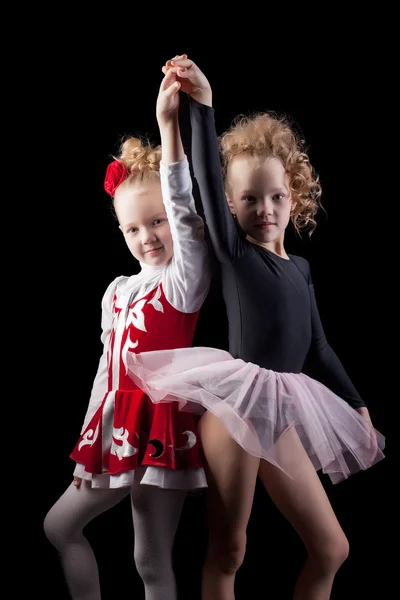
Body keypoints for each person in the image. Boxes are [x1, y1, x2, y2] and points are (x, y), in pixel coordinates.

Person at [125, 55, 385, 600]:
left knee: (332, 549)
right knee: (230, 550)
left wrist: (356, 402)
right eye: (248, 199)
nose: (263, 209)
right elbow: (202, 176)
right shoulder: (236, 255)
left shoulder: (301, 269)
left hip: (285, 404)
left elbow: (316, 344)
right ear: (229, 205)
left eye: (275, 196)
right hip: (236, 405)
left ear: (295, 196)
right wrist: (203, 107)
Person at [43, 67, 210, 600]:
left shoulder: (185, 281)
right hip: (114, 427)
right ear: (121, 232)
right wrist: (88, 442)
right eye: (134, 228)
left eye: (157, 222)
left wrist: (169, 129)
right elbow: (105, 368)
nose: (149, 236)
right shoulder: (117, 290)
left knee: (150, 560)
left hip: (160, 426)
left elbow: (185, 213)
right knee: (60, 526)